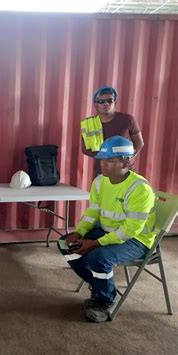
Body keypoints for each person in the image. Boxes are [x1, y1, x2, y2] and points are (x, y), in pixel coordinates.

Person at [58, 136, 156, 323]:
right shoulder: (100, 182)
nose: (104, 165)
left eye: (110, 160)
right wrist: (80, 232)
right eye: (102, 160)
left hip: (137, 240)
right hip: (108, 232)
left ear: (126, 161)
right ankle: (101, 287)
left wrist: (95, 243)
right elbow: (92, 212)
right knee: (66, 244)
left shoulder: (140, 188)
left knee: (99, 257)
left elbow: (130, 230)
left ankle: (105, 302)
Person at [80, 86, 144, 176]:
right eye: (101, 101)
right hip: (102, 172)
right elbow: (84, 149)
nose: (106, 104)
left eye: (110, 100)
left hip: (125, 171)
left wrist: (127, 158)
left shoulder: (128, 120)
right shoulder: (89, 124)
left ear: (115, 102)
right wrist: (106, 159)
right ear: (95, 105)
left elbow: (139, 143)